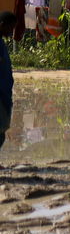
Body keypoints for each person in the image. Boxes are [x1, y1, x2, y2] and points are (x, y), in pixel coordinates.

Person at [0, 11, 14, 154]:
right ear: (2, 25)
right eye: (10, 27)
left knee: (2, 127)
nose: (12, 31)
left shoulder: (1, 43)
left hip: (4, 91)